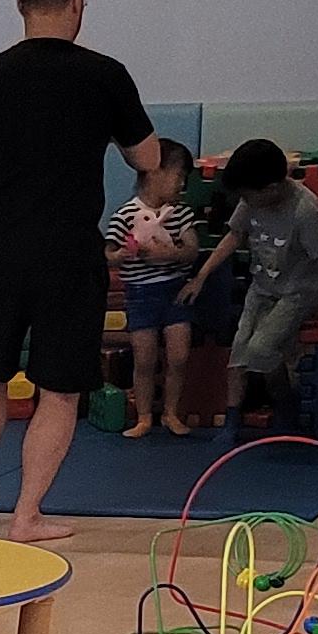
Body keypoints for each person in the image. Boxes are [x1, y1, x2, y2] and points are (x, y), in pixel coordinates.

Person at [0, 0, 163, 543]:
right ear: (78, 2)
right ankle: (26, 515)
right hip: (67, 253)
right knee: (60, 388)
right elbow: (148, 157)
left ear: (20, 4)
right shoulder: (104, 74)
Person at [178, 139, 318, 432]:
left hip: (299, 291)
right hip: (263, 285)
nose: (245, 201)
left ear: (271, 189)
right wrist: (201, 276)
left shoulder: (305, 211)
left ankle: (286, 402)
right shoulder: (252, 199)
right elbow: (234, 235)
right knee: (240, 352)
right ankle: (232, 422)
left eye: (247, 196)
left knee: (260, 349)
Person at [105, 142, 203, 437]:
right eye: (178, 175)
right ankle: (144, 416)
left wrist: (169, 254)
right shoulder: (126, 215)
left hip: (175, 293)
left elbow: (192, 250)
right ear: (154, 173)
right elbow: (108, 254)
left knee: (179, 356)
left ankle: (171, 413)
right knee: (144, 359)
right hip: (141, 295)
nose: (182, 183)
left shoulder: (179, 213)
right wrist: (121, 255)